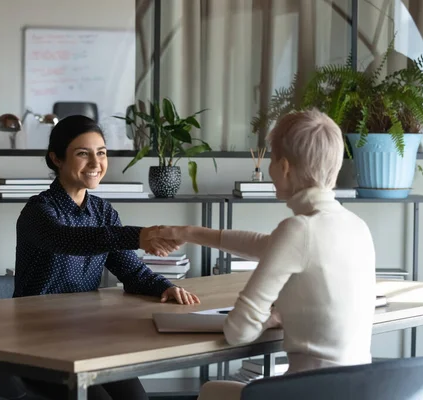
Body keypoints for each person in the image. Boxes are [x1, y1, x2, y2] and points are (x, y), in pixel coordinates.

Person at [150, 109, 376, 400]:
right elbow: (266, 245)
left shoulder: (299, 229)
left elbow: (238, 332)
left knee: (211, 392)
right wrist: (187, 232)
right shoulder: (356, 226)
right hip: (357, 390)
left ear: (284, 167)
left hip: (308, 392)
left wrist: (269, 319)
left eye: (270, 159)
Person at [14, 115, 200, 400]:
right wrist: (138, 236)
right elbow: (68, 240)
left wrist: (165, 287)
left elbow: (132, 272)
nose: (95, 163)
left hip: (86, 335)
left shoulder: (102, 211)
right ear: (57, 159)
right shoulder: (38, 211)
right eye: (82, 153)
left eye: (101, 153)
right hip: (38, 342)